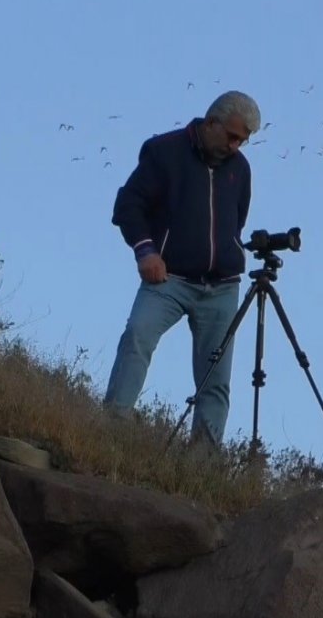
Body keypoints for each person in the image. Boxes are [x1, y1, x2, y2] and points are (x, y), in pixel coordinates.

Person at [103, 91, 261, 447]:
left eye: (244, 140)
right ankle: (111, 430)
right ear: (211, 123)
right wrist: (146, 252)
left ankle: (202, 466)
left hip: (222, 288)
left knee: (215, 380)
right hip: (168, 278)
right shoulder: (164, 152)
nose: (237, 146)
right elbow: (128, 204)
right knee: (137, 338)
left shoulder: (240, 170)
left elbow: (236, 220)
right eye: (233, 136)